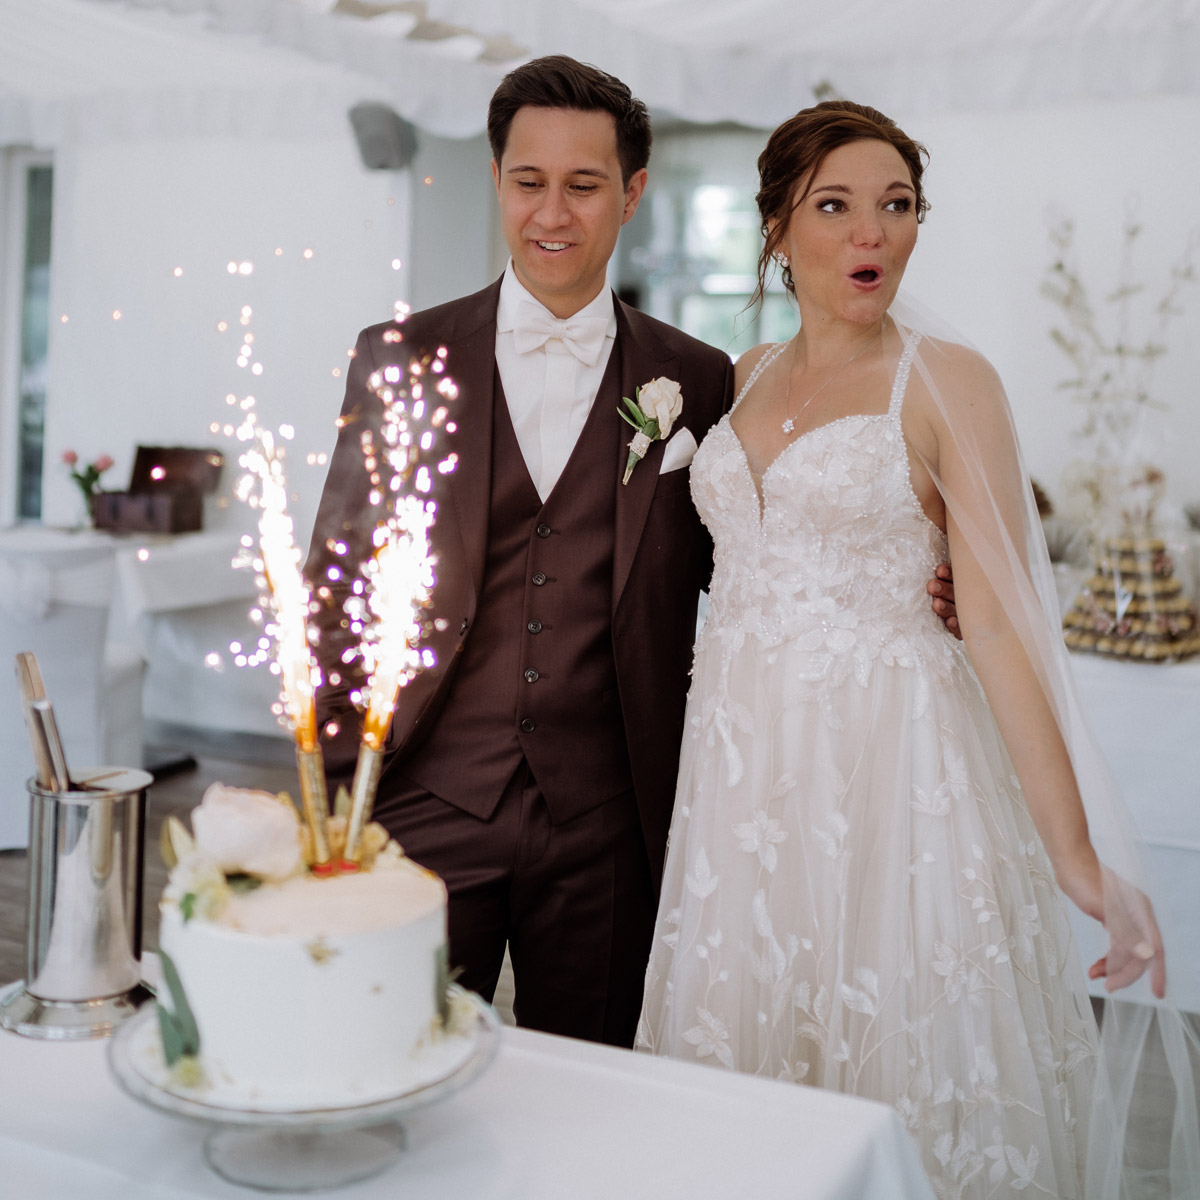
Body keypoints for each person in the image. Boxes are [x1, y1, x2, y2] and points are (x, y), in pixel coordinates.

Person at [306, 60, 956, 1050]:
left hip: (611, 821)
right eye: (529, 181)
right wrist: (329, 806)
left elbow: (753, 551)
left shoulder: (694, 377)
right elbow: (336, 593)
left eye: (585, 184)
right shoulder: (401, 359)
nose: (553, 212)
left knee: (600, 1092)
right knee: (387, 1059)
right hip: (426, 803)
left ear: (633, 193)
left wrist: (925, 580)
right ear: (496, 180)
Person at [636, 101, 1198, 1197]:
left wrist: (1077, 855)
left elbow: (992, 621)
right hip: (741, 780)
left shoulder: (949, 382)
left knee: (895, 1046)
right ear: (776, 229)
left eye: (897, 207)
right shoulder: (739, 374)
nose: (872, 236)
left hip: (890, 772)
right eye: (836, 207)